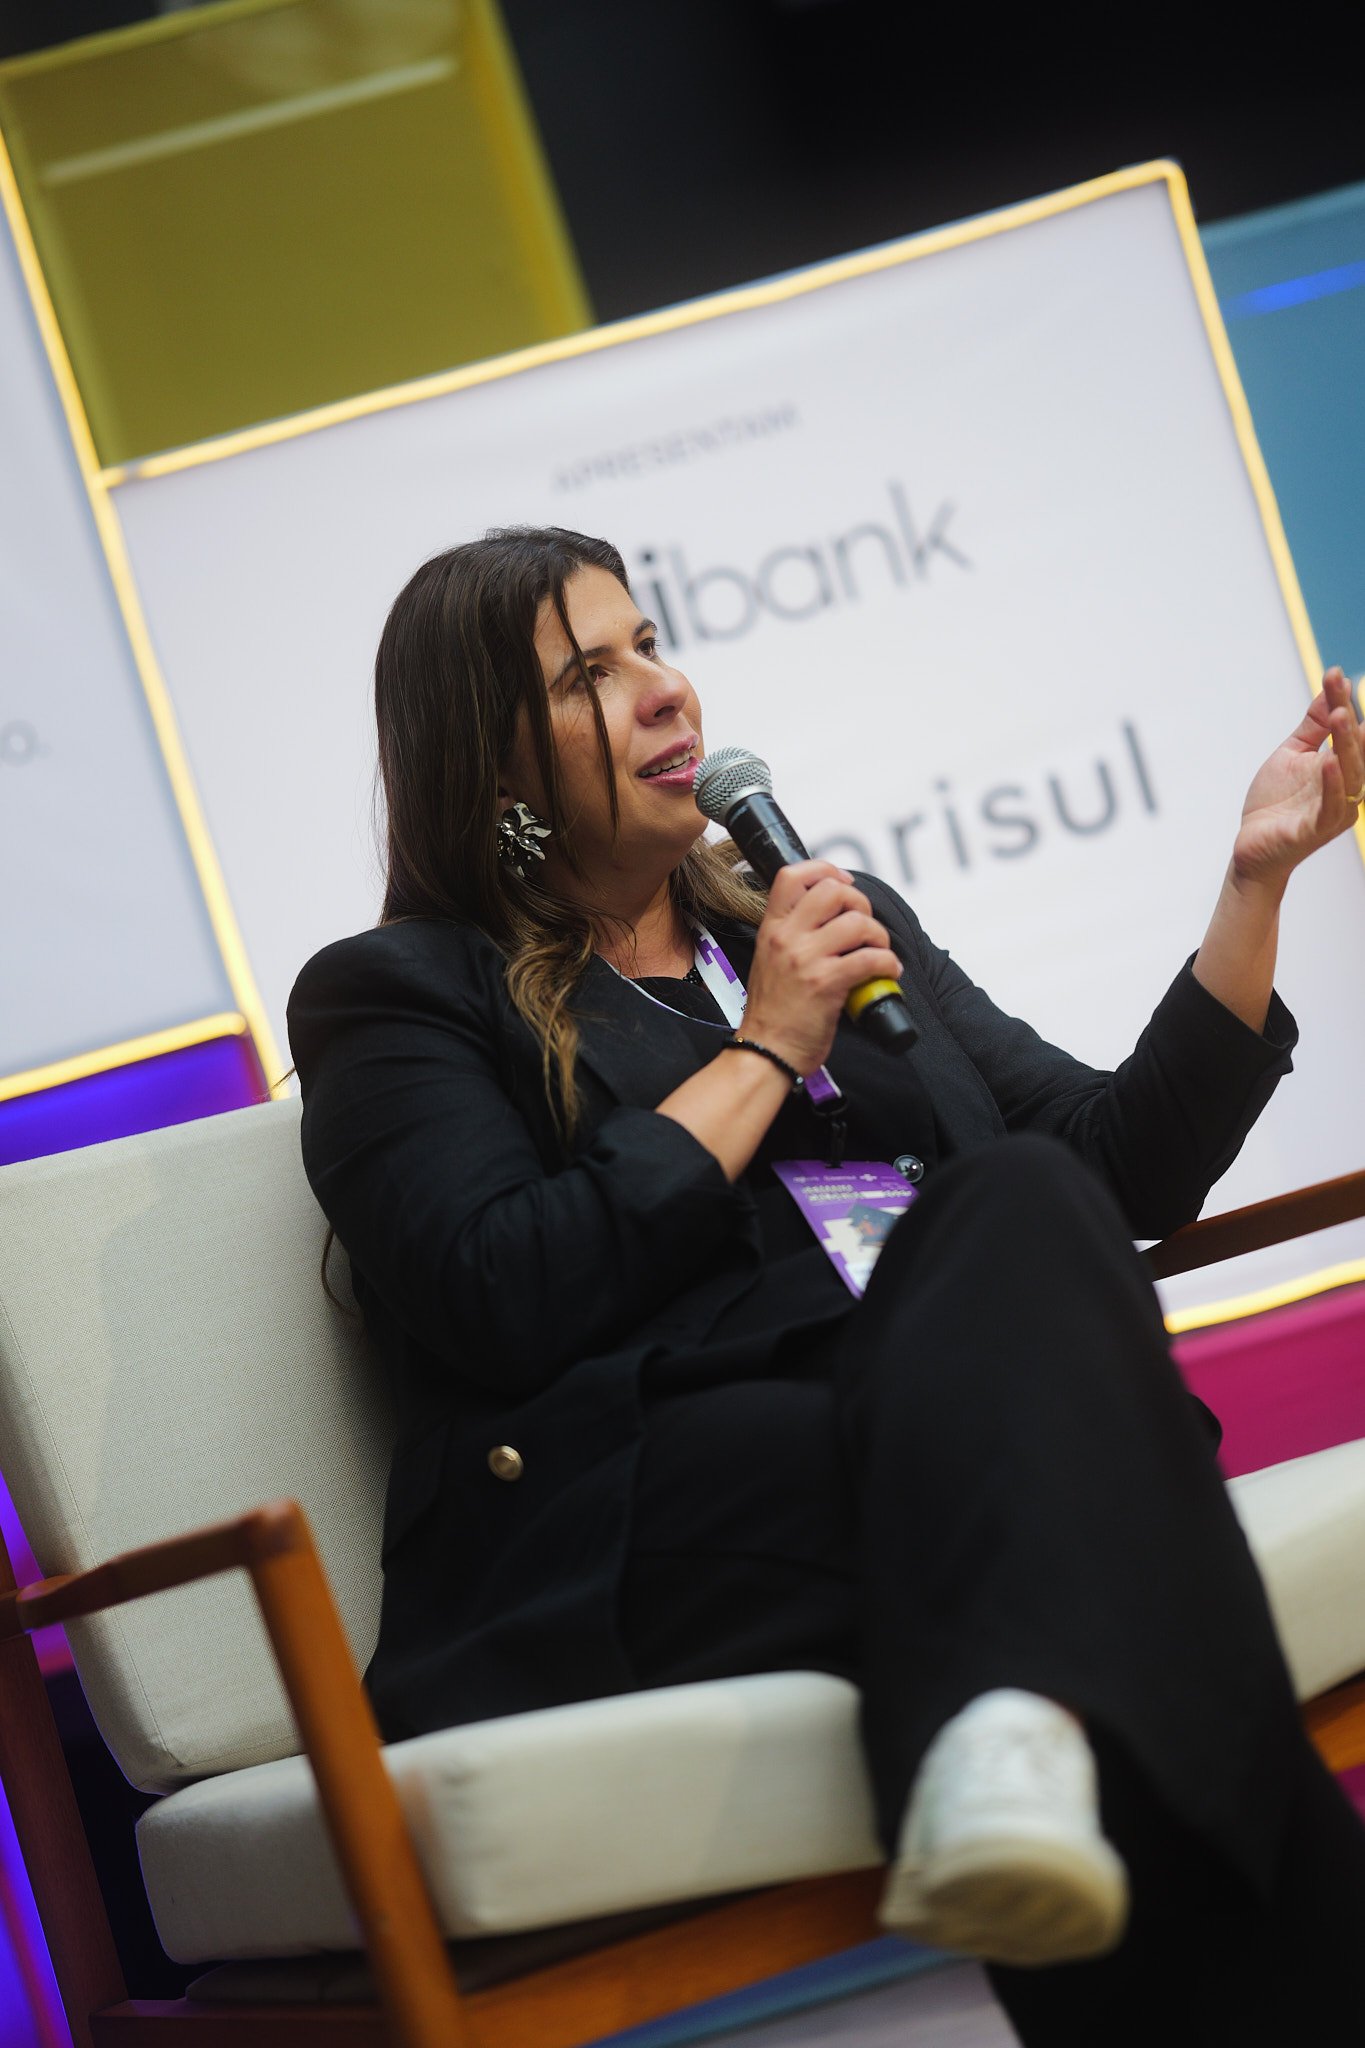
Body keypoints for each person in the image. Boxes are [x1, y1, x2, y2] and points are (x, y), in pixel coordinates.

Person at [287, 525, 1365, 2044]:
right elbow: (500, 1289)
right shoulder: (399, 993)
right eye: (591, 675)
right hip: (647, 1497)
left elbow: (1106, 1168)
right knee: (1110, 1523)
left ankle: (1007, 1734)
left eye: (651, 642)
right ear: (493, 767)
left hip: (906, 1428)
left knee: (1019, 1201)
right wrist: (769, 1047)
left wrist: (1252, 883)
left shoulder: (812, 913)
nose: (664, 689)